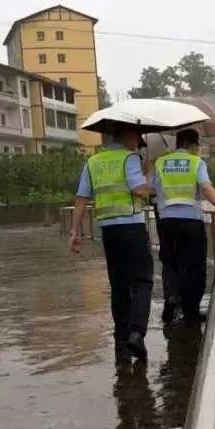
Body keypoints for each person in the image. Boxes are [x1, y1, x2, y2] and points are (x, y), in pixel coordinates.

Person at [70, 127, 154, 363]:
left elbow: (81, 199)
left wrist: (74, 231)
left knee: (118, 285)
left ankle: (121, 342)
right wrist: (148, 176)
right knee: (143, 281)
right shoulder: (130, 158)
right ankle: (137, 333)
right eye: (138, 139)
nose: (138, 144)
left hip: (109, 231)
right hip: (132, 227)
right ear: (128, 136)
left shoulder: (93, 162)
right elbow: (139, 190)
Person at [154, 129, 215, 324]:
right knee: (194, 266)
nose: (197, 149)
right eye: (197, 146)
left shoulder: (160, 162)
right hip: (191, 221)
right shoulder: (196, 162)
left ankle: (171, 300)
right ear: (191, 145)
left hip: (165, 221)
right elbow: (206, 187)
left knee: (170, 262)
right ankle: (191, 312)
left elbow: (153, 189)